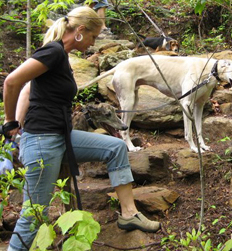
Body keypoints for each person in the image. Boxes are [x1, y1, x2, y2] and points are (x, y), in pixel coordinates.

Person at [3, 6, 160, 251]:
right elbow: (13, 81)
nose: (92, 42)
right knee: (33, 215)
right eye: (93, 37)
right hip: (42, 141)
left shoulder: (61, 56)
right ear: (80, 30)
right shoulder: (53, 52)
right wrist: (10, 123)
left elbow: (32, 88)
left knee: (116, 147)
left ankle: (129, 214)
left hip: (61, 136)